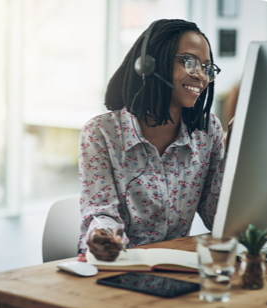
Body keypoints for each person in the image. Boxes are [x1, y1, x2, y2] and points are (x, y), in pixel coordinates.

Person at [78, 19, 231, 262]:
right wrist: (104, 235)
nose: (201, 76)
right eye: (189, 62)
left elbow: (216, 219)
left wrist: (234, 162)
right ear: (149, 64)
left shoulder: (206, 130)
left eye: (207, 67)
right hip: (120, 267)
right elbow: (100, 212)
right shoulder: (101, 133)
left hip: (178, 268)